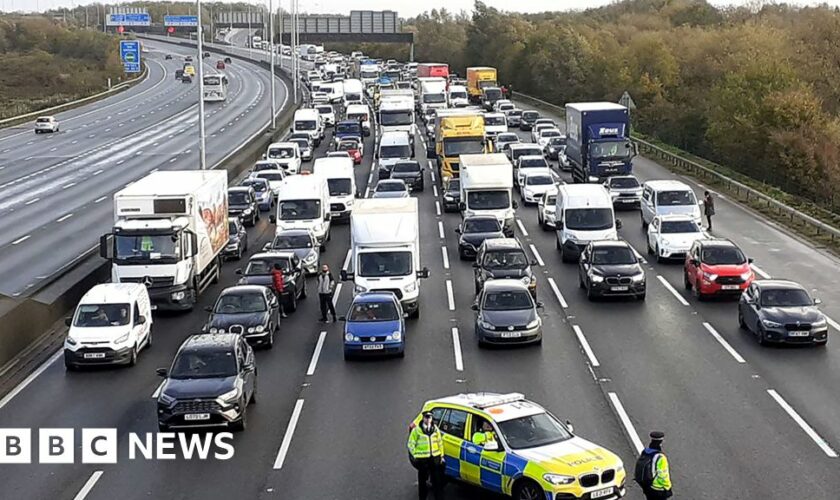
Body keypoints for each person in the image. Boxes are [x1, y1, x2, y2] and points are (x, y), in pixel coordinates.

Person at [407, 411, 445, 500]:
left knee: (437, 482)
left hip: (434, 458)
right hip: (422, 460)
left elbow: (440, 443)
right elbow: (411, 444)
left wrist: (441, 456)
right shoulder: (417, 430)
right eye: (426, 417)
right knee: (422, 482)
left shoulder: (435, 429)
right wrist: (415, 456)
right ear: (423, 418)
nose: (428, 419)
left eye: (430, 417)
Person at [634, 431, 673, 499]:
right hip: (658, 489)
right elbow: (663, 475)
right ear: (660, 443)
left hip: (647, 486)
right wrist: (667, 487)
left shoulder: (645, 452)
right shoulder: (660, 457)